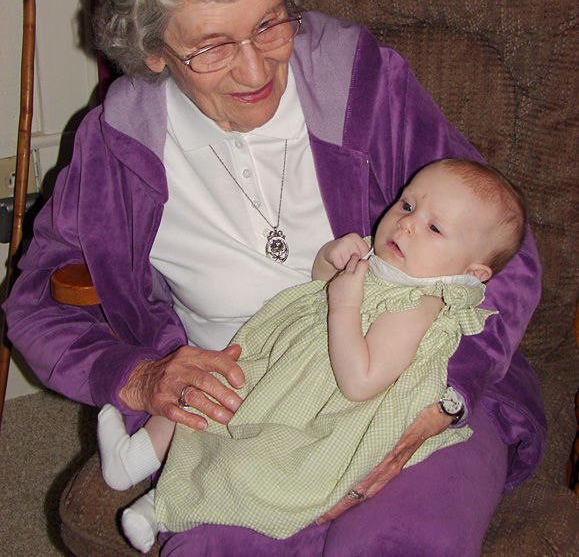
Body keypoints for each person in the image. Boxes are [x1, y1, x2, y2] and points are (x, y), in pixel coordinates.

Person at [4, 0, 545, 557]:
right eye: (209, 47)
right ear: (151, 51)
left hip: (408, 381)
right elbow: (35, 301)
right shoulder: (120, 147)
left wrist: (443, 398)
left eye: (268, 24)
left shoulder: (359, 82)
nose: (256, 71)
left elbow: (507, 251)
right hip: (242, 418)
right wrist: (140, 376)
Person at [99, 157, 525, 552]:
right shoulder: (390, 261)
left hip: (321, 408)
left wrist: (344, 304)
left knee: (247, 459)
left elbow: (360, 381)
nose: (407, 224)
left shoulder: (419, 304)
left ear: (472, 273)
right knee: (201, 388)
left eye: (435, 228)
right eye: (407, 204)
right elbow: (318, 283)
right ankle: (130, 460)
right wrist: (329, 260)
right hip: (290, 367)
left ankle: (157, 508)